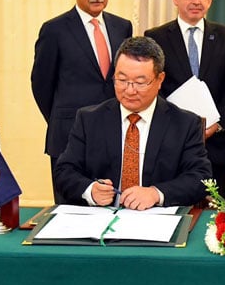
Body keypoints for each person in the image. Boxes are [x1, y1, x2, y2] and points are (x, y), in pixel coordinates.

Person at [53, 36, 212, 208]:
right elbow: (64, 171)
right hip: (101, 221)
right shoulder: (89, 119)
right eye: (121, 80)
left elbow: (201, 177)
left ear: (160, 80)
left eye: (140, 82)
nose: (129, 90)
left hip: (157, 221)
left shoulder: (185, 124)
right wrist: (90, 190)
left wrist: (156, 193)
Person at [31, 0, 133, 204]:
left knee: (113, 208)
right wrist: (63, 118)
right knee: (71, 214)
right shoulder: (54, 30)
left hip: (114, 135)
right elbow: (41, 85)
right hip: (68, 138)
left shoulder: (123, 27)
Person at [144, 0, 225, 200]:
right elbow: (153, 87)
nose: (196, 1)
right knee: (176, 207)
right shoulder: (156, 37)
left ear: (210, 0)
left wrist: (216, 125)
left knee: (214, 212)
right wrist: (182, 127)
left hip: (218, 143)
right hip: (171, 142)